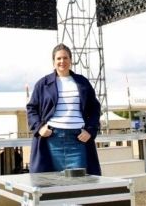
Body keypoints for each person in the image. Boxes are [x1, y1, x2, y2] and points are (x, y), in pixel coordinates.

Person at [26, 43, 102, 175]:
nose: (62, 61)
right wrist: (39, 128)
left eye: (65, 58)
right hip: (51, 139)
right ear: (53, 62)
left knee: (79, 181)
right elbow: (31, 108)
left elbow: (95, 108)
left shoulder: (82, 82)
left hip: (78, 139)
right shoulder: (43, 84)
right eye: (59, 58)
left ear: (71, 60)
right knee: (51, 181)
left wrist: (90, 130)